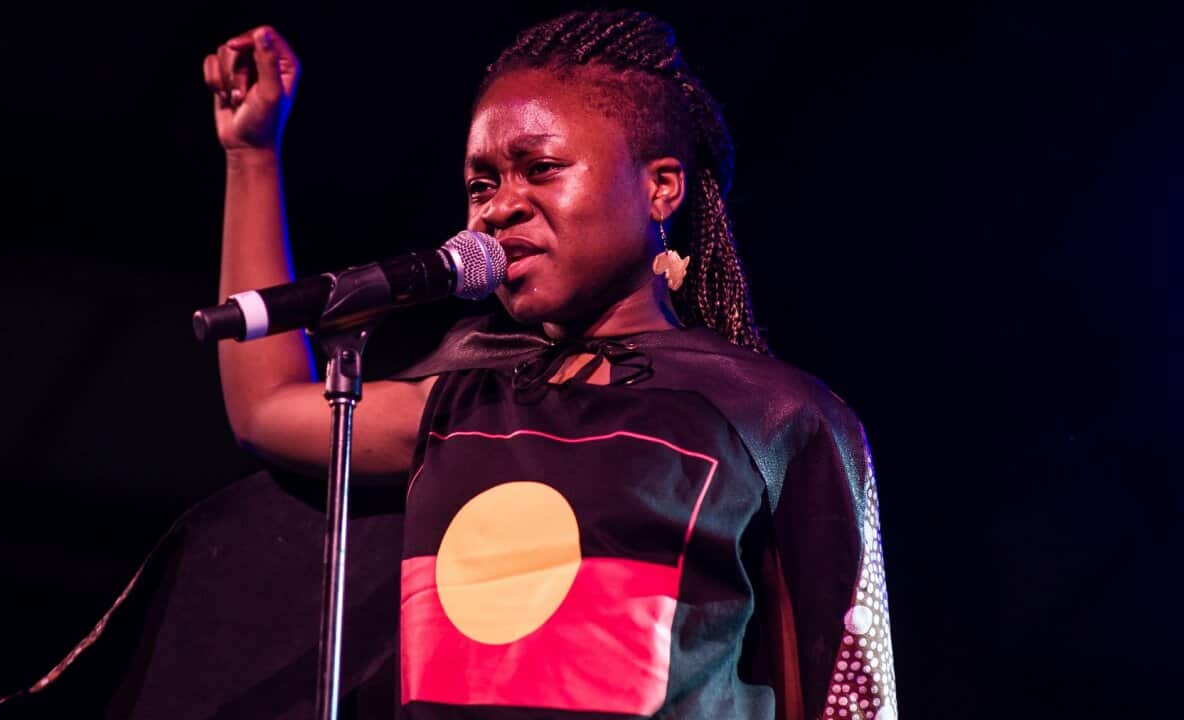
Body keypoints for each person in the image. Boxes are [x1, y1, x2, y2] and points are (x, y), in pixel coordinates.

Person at [202, 9, 897, 720]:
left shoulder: (771, 418)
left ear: (661, 186)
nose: (500, 209)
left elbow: (846, 692)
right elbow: (267, 406)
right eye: (480, 186)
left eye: (541, 169)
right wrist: (251, 156)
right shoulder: (462, 401)